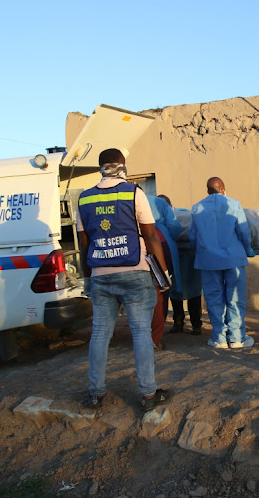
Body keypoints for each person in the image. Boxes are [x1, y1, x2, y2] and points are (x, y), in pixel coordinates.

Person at [77, 148, 173, 412]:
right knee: (141, 332)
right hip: (134, 271)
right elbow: (151, 236)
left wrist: (88, 280)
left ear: (100, 168)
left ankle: (95, 393)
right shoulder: (134, 193)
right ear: (122, 166)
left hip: (100, 275)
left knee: (99, 333)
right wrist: (163, 275)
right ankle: (149, 394)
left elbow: (85, 245)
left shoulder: (84, 199)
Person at [190, 177, 256, 348]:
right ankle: (236, 338)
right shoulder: (233, 204)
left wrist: (201, 252)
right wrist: (248, 249)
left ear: (207, 190)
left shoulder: (197, 208)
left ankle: (219, 338)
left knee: (213, 298)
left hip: (208, 261)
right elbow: (243, 230)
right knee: (235, 298)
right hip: (233, 258)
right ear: (223, 189)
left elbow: (192, 237)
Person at [164, 196, 204, 336]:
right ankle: (179, 322)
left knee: (192, 291)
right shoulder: (167, 216)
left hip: (189, 255)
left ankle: (195, 324)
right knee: (175, 291)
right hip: (175, 255)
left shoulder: (183, 214)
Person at [147, 193, 182, 349]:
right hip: (161, 245)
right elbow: (174, 227)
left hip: (133, 248)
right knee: (160, 292)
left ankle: (141, 335)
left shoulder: (124, 200)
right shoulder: (160, 203)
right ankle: (155, 339)